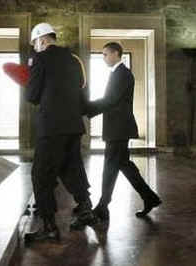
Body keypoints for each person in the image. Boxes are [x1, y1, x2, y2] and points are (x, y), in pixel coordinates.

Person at [24, 22, 97, 243]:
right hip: (73, 125)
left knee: (41, 175)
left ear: (42, 40)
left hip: (52, 127)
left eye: (35, 43)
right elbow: (81, 89)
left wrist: (30, 78)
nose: (35, 47)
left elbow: (32, 95)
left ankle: (49, 226)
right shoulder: (74, 60)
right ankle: (85, 209)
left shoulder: (41, 59)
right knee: (71, 166)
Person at [86, 42, 161, 223]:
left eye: (105, 54)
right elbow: (110, 100)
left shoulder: (122, 74)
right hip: (117, 128)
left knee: (110, 167)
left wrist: (86, 109)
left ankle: (103, 206)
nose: (103, 58)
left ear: (116, 53)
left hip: (118, 129)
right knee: (124, 165)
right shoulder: (118, 74)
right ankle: (150, 198)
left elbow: (110, 100)